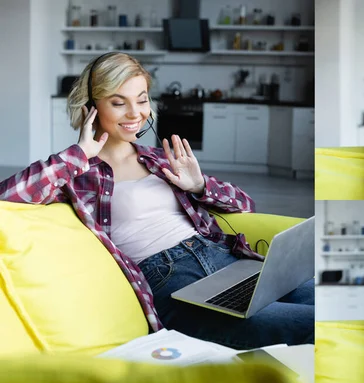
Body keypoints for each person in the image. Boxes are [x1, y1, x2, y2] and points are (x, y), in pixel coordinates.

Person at [0, 52, 314, 350]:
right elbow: (9, 194)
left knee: (339, 300)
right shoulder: (79, 174)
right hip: (171, 282)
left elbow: (245, 205)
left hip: (224, 260)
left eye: (142, 99)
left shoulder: (158, 160)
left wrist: (199, 185)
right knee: (320, 324)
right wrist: (79, 153)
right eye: (118, 102)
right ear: (89, 108)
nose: (135, 113)